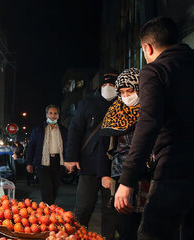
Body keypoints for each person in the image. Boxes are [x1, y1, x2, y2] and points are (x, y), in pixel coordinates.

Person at [115, 16, 194, 239]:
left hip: (175, 169)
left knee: (152, 233)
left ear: (146, 47)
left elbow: (148, 124)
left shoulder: (156, 71)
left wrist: (127, 179)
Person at [64, 70, 119, 240]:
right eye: (104, 84)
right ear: (99, 86)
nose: (108, 88)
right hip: (89, 164)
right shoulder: (87, 103)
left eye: (112, 84)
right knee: (84, 207)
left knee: (111, 210)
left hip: (113, 166)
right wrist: (71, 157)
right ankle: (79, 236)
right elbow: (75, 130)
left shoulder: (123, 104)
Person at [98, 68, 149, 239]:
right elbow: (106, 147)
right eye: (122, 92)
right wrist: (105, 174)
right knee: (124, 225)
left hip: (148, 177)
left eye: (131, 91)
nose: (126, 96)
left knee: (146, 225)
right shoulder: (114, 112)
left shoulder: (151, 110)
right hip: (121, 177)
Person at [26, 104, 67, 205]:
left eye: (55, 113)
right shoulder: (39, 130)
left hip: (58, 162)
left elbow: (68, 147)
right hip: (43, 163)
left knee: (54, 189)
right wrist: (29, 163)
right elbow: (31, 147)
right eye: (50, 113)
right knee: (46, 190)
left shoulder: (64, 130)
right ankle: (48, 213)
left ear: (58, 115)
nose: (53, 116)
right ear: (46, 115)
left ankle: (48, 210)